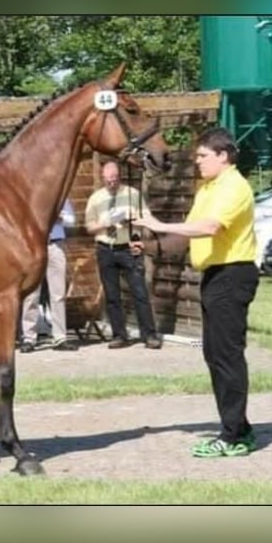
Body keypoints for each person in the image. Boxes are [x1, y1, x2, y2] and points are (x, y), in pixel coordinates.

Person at [133, 127, 259, 458]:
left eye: (203, 156)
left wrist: (160, 224)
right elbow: (189, 234)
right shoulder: (208, 188)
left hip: (233, 275)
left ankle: (233, 436)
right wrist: (149, 243)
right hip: (215, 277)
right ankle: (238, 428)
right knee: (215, 354)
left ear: (223, 156)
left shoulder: (234, 186)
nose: (198, 162)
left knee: (227, 355)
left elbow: (209, 227)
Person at [84, 160, 162, 350]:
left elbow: (146, 216)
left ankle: (149, 335)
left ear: (120, 177)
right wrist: (107, 223)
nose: (112, 183)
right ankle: (119, 335)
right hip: (106, 248)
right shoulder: (96, 198)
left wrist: (135, 222)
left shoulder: (132, 194)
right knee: (112, 295)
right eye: (108, 180)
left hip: (128, 247)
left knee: (139, 292)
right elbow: (89, 226)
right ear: (103, 178)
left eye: (115, 179)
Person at [19, 199, 79, 353]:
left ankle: (60, 337)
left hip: (55, 245)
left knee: (58, 293)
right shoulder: (33, 195)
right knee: (31, 293)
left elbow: (72, 221)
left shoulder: (61, 198)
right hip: (34, 246)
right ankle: (29, 337)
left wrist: (59, 218)